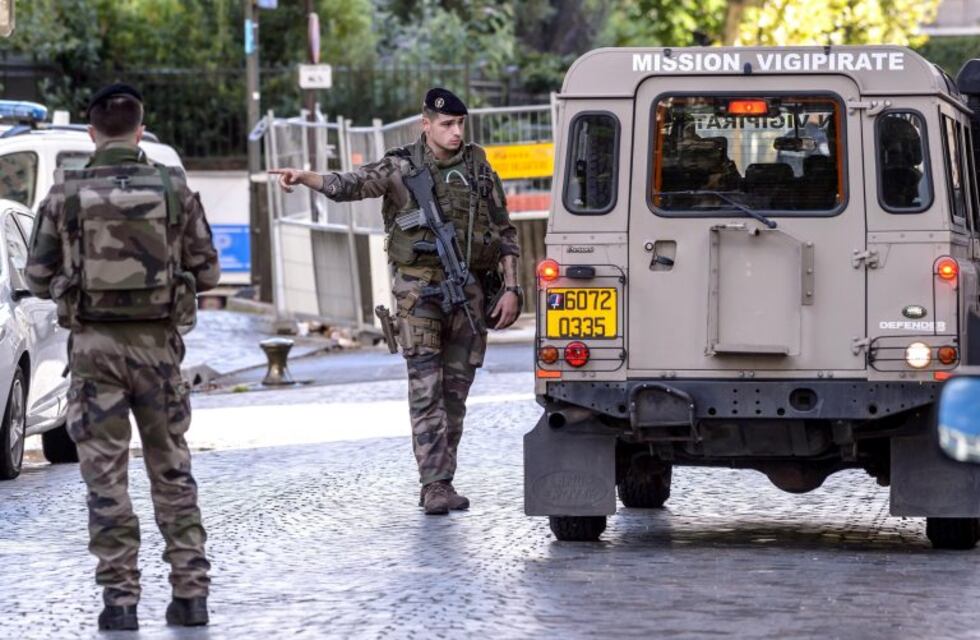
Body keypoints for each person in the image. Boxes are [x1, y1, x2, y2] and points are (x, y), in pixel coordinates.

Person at [271, 88, 522, 515]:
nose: (455, 131)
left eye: (460, 124)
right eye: (446, 124)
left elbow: (505, 233)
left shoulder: (480, 169)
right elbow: (348, 185)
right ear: (426, 125)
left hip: (469, 296)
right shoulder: (401, 167)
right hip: (419, 293)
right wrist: (305, 176)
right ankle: (435, 485)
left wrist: (513, 289)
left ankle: (444, 476)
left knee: (454, 394)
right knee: (426, 390)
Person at [25, 83, 219, 631]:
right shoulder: (173, 187)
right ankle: (191, 594)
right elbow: (208, 273)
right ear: (140, 130)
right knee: (172, 470)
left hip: (94, 354)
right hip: (159, 351)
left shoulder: (66, 193)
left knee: (105, 479)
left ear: (91, 134)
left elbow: (36, 278)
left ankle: (120, 602)